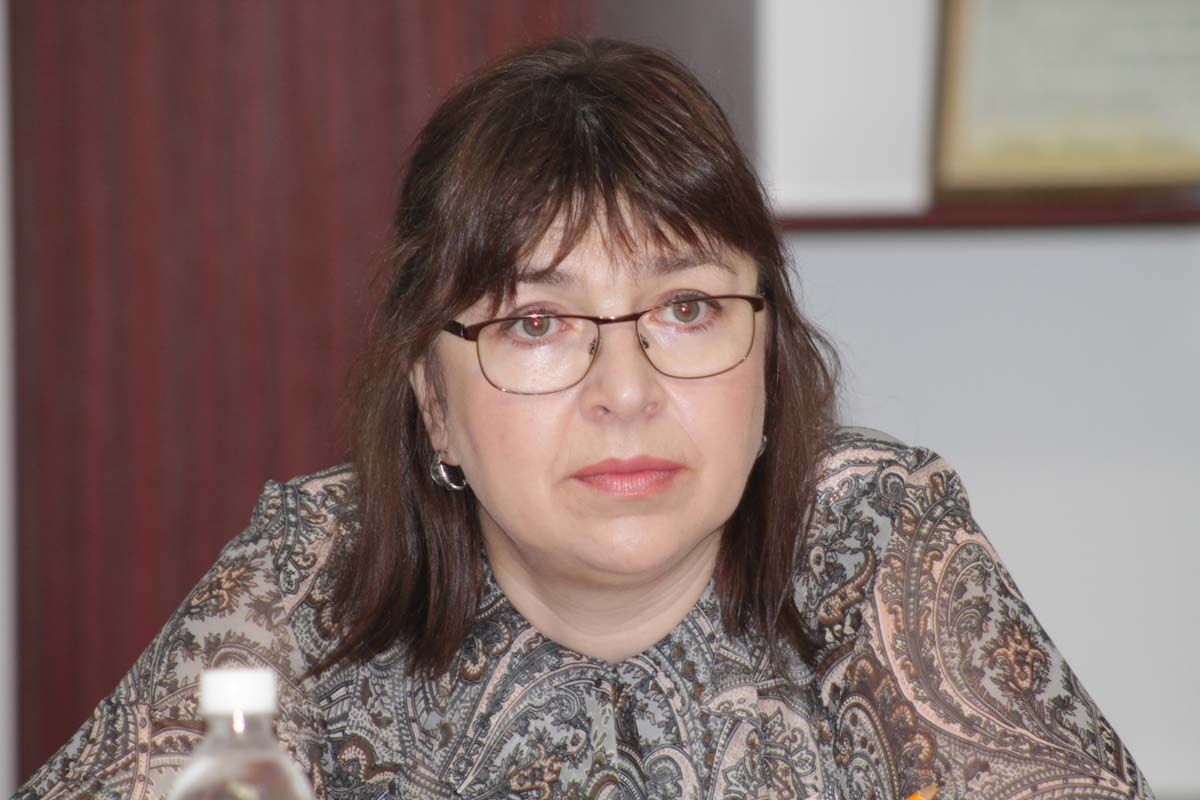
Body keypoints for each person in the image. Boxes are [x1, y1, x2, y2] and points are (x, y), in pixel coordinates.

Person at [17, 36, 1154, 800]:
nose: (626, 389)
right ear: (434, 404)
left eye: (688, 307)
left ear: (769, 356)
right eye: (537, 323)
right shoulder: (317, 561)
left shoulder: (873, 526)